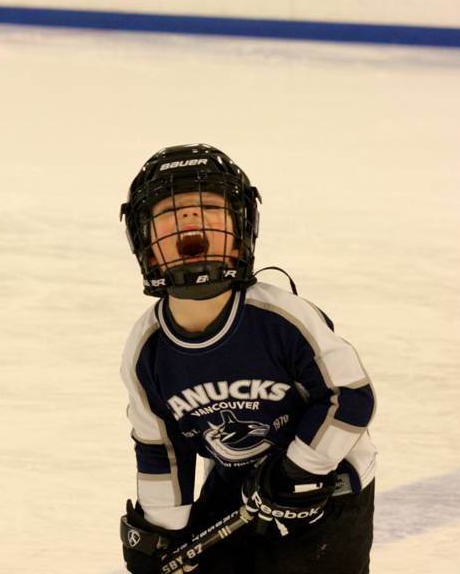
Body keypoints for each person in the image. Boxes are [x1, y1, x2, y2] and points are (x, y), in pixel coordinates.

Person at [117, 144, 376, 574]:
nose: (189, 218)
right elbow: (162, 448)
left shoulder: (281, 319)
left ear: (241, 232)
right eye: (169, 211)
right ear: (145, 244)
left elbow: (349, 397)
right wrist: (160, 532)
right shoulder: (148, 350)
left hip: (329, 486)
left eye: (210, 208)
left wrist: (300, 471)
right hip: (237, 484)